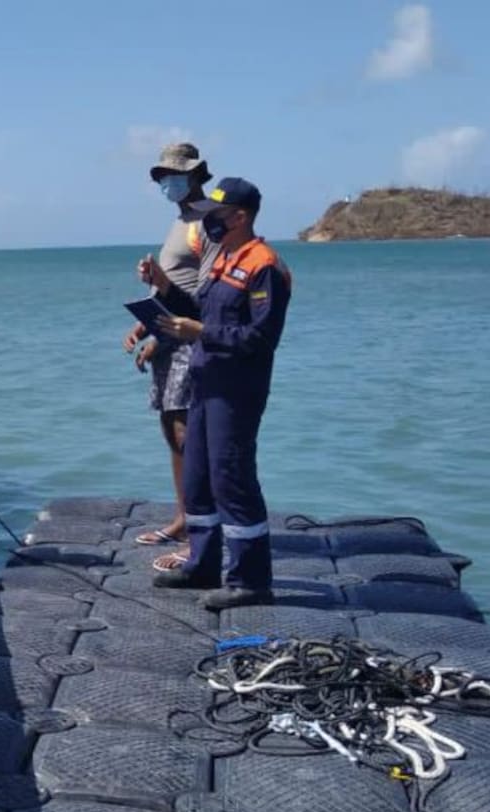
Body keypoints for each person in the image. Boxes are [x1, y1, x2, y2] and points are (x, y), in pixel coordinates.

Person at [137, 177, 291, 609]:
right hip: (205, 383)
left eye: (216, 216)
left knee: (232, 477)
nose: (207, 223)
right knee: (198, 476)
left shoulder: (264, 266)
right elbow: (200, 311)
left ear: (240, 217)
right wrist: (164, 288)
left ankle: (251, 580)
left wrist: (201, 332)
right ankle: (203, 564)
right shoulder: (224, 258)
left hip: (236, 389)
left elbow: (260, 337)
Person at [123, 143, 214, 552]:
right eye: (162, 177)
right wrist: (146, 326)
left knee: (185, 431)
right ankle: (185, 517)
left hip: (189, 337)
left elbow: (206, 297)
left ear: (195, 175)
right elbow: (175, 285)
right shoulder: (182, 221)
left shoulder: (209, 221)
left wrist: (162, 332)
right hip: (169, 335)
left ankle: (199, 523)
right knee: (171, 428)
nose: (166, 183)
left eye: (174, 176)